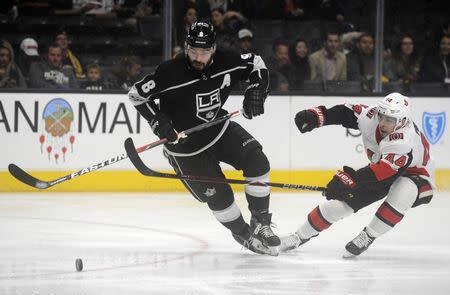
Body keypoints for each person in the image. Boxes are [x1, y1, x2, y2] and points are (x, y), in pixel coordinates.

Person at [128, 21, 280, 256]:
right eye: (194, 52)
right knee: (220, 197)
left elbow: (256, 62)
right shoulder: (169, 72)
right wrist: (157, 120)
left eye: (204, 52)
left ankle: (261, 223)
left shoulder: (228, 60)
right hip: (184, 147)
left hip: (217, 129)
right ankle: (243, 233)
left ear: (214, 49)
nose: (198, 58)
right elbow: (137, 95)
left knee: (257, 161)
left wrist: (257, 90)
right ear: (186, 48)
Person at [280, 92, 434, 257]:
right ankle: (299, 236)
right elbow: (345, 112)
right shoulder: (372, 115)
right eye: (382, 117)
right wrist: (316, 116)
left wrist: (348, 180)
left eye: (389, 120)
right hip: (383, 168)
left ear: (403, 121)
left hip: (417, 177)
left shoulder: (404, 141)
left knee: (403, 192)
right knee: (339, 205)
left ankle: (369, 235)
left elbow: (382, 174)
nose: (382, 123)